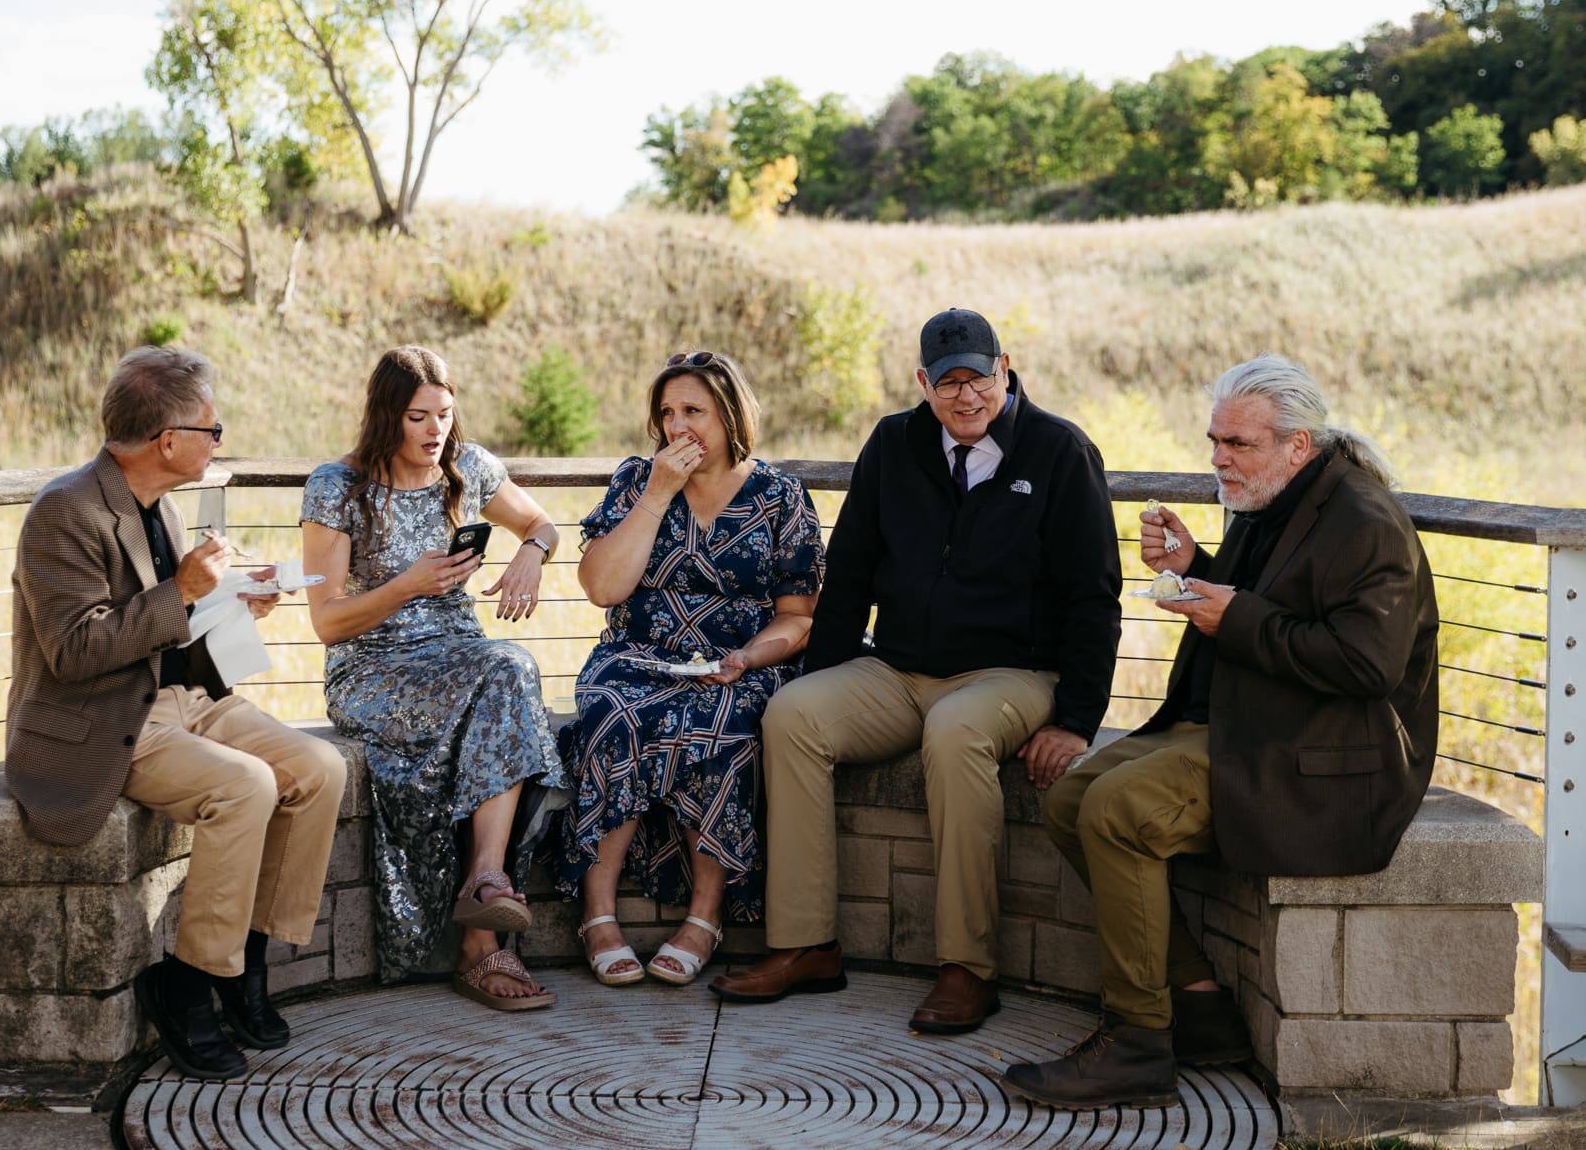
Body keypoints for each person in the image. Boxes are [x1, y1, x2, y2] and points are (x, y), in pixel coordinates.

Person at [1005, 353, 1440, 1111]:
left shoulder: (1367, 524)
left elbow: (1365, 665)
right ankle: (1201, 1006)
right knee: (1072, 795)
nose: (1218, 458)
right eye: (1215, 440)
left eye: (1237, 443)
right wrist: (1194, 565)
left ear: (1297, 443)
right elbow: (1263, 603)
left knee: (1118, 809)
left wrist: (1233, 614)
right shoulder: (1275, 499)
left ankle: (1138, 1039)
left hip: (1326, 758)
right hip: (1254, 721)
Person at [710, 308, 1122, 1034]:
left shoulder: (1060, 452)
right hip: (898, 670)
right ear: (923, 384)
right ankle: (806, 944)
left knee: (956, 729)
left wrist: (1077, 718)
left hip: (1012, 675)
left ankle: (967, 968)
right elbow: (854, 572)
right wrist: (824, 675)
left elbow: (1095, 595)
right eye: (949, 382)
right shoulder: (894, 443)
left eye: (980, 378)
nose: (967, 397)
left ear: (1005, 369)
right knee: (794, 713)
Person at [7, 346, 346, 1081]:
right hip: (107, 719)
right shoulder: (63, 512)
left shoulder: (158, 503)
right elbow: (73, 649)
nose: (218, 440)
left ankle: (244, 961)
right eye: (211, 430)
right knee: (246, 785)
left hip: (184, 698)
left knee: (320, 767)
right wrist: (185, 590)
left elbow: (168, 627)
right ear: (167, 440)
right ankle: (187, 983)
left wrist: (231, 598)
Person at [299, 345, 566, 1013]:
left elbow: (543, 522)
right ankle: (485, 910)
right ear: (386, 415)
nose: (434, 431)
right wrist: (407, 584)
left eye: (444, 414)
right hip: (373, 667)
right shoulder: (336, 486)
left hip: (461, 659)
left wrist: (532, 552)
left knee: (511, 667)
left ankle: (483, 886)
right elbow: (328, 622)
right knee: (508, 679)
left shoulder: (467, 470)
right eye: (418, 416)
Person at [559, 351, 825, 986]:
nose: (677, 428)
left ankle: (705, 915)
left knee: (722, 725)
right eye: (667, 414)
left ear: (731, 415)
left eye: (693, 412)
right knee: (610, 714)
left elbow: (799, 616)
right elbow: (601, 588)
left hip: (740, 661)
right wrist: (657, 494)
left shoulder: (780, 497)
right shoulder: (637, 480)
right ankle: (597, 914)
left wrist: (747, 657)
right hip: (639, 654)